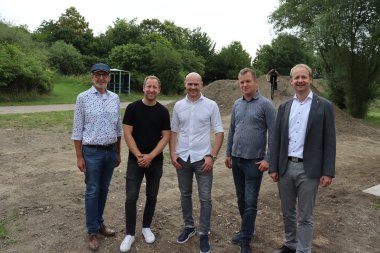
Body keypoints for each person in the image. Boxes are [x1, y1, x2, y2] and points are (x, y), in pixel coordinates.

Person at [269, 64, 336, 253]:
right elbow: (276, 141)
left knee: (305, 216)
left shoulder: (324, 106)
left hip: (310, 170)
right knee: (288, 212)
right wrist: (273, 167)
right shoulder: (284, 107)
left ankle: (303, 250)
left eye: (303, 77)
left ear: (310, 80)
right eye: (296, 78)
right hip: (285, 167)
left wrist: (327, 171)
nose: (300, 81)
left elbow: (330, 141)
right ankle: (290, 245)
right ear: (291, 81)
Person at [169, 72, 224, 253]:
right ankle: (189, 227)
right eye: (189, 84)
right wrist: (172, 154)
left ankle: (203, 233)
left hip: (203, 159)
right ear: (185, 84)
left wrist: (212, 156)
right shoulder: (178, 106)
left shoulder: (211, 105)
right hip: (183, 158)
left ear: (202, 84)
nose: (193, 88)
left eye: (196, 84)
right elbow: (174, 131)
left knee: (205, 198)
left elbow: (219, 132)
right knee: (185, 194)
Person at [224, 67, 276, 253]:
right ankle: (247, 230)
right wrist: (228, 153)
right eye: (242, 82)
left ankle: (245, 240)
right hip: (237, 160)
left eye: (248, 81)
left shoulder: (265, 105)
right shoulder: (237, 104)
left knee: (251, 201)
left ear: (256, 83)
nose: (244, 85)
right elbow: (232, 130)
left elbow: (275, 134)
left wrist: (268, 159)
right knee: (241, 200)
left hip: (254, 162)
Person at [71, 63, 122, 251]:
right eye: (97, 75)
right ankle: (92, 231)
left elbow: (118, 128)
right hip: (91, 152)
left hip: (110, 151)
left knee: (104, 189)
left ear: (109, 78)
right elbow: (77, 130)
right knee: (92, 190)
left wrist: (118, 152)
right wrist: (79, 156)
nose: (101, 78)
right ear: (92, 77)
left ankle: (100, 223)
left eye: (104, 75)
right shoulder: (83, 98)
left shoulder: (115, 98)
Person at [119, 76, 171, 252]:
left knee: (152, 195)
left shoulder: (163, 112)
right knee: (131, 197)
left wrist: (150, 156)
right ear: (143, 88)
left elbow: (166, 136)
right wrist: (139, 155)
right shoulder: (132, 108)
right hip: (135, 161)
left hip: (155, 162)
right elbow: (127, 134)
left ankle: (146, 226)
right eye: (148, 86)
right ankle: (129, 234)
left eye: (154, 87)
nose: (151, 90)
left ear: (159, 90)